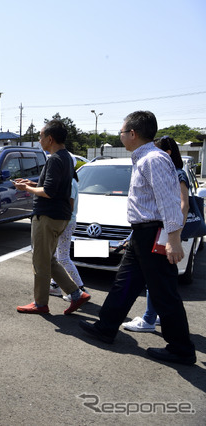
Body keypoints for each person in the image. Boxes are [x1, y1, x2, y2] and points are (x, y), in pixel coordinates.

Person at [79, 111, 195, 365]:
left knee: (164, 292)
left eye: (121, 132)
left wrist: (173, 239)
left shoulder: (153, 159)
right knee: (125, 283)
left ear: (132, 133)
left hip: (155, 234)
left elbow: (169, 201)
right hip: (142, 234)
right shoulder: (143, 158)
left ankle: (181, 349)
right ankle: (106, 327)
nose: (120, 136)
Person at [13, 119, 91, 315]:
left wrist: (26, 188)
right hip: (60, 216)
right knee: (49, 260)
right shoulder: (65, 157)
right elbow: (55, 185)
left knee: (40, 261)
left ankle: (40, 303)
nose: (39, 140)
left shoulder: (55, 159)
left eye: (40, 137)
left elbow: (48, 191)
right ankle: (76, 294)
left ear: (50, 138)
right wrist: (31, 181)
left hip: (47, 216)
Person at [121, 135, 190, 333]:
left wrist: (174, 235)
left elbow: (179, 205)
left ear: (167, 153)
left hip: (162, 232)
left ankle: (151, 320)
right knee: (154, 283)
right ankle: (149, 318)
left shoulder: (172, 171)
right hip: (154, 231)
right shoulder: (162, 166)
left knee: (160, 285)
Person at [49, 152, 87, 300]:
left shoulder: (69, 182)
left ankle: (79, 288)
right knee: (57, 256)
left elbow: (68, 206)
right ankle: (55, 286)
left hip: (66, 222)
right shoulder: (71, 180)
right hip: (68, 222)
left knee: (63, 258)